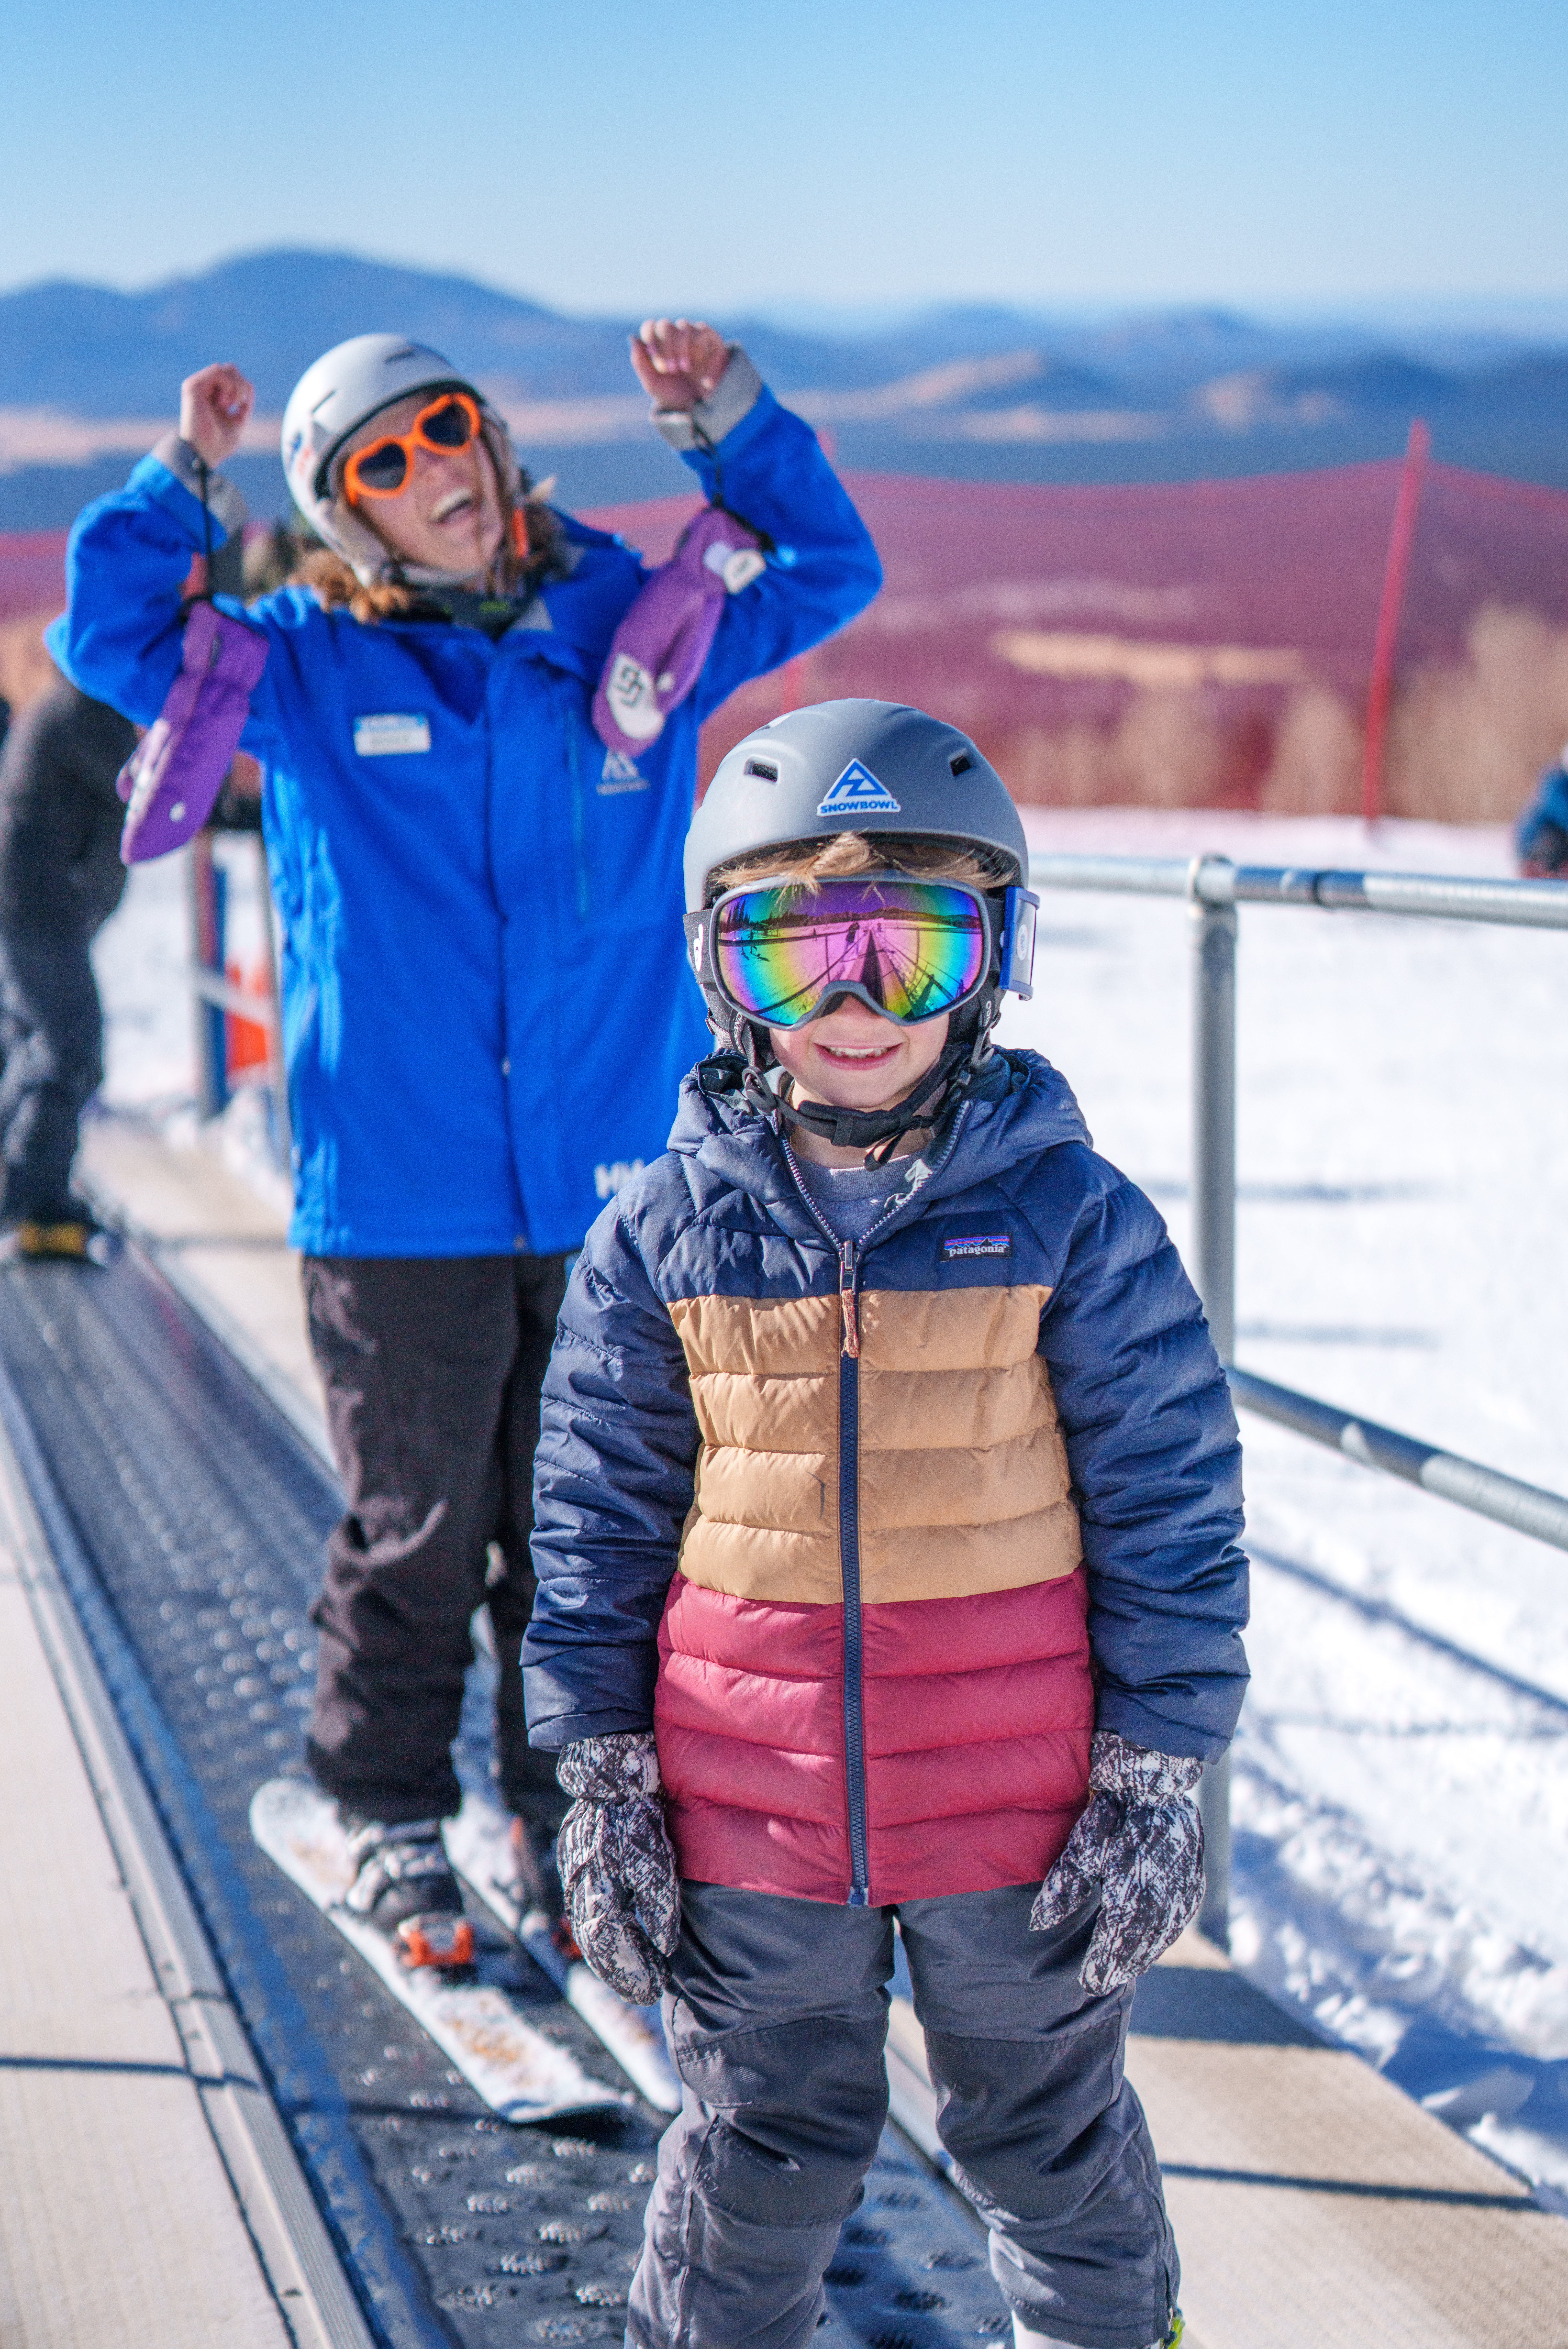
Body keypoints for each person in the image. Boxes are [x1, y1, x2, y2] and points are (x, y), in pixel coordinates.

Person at [49, 320, 880, 1961]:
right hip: (398, 1195)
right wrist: (180, 479)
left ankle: (565, 1825)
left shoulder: (634, 626)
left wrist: (722, 424)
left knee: (587, 1539)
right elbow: (108, 635)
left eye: (442, 429)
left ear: (491, 436)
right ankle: (378, 1812)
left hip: (610, 1189)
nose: (431, 469)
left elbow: (830, 562)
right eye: (381, 461)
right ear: (345, 512)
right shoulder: (299, 662)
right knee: (422, 1533)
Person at [522, 698, 1248, 2349]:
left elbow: (1171, 1508)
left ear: (990, 964)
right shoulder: (660, 1236)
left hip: (1020, 1818)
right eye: (798, 955)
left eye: (907, 953)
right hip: (751, 1805)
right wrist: (607, 1767)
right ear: (726, 976)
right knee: (754, 2156)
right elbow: (595, 1522)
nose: (854, 1007)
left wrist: (1153, 1767)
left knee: (1053, 2150)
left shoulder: (1070, 1218)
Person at [0, 672, 137, 1258]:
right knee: (68, 1045)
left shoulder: (70, 704)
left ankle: (29, 1189)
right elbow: (145, 788)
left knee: (32, 1038)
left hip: (36, 900)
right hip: (37, 904)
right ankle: (30, 1202)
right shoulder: (84, 709)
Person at [1515, 744, 1568, 876]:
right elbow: (1563, 813)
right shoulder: (1555, 783)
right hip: (1534, 842)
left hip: (1552, 840)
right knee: (1555, 840)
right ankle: (1542, 870)